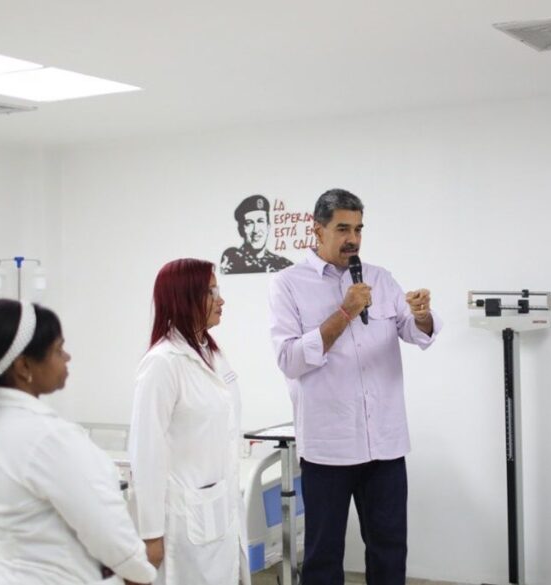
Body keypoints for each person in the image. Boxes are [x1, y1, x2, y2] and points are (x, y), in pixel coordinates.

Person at [268, 188, 442, 585]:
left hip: (384, 443)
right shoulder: (288, 284)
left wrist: (422, 314)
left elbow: (415, 332)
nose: (353, 239)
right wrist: (345, 312)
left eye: (359, 229)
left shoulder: (380, 278)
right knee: (323, 556)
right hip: (328, 446)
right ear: (318, 230)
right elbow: (290, 359)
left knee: (389, 551)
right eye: (343, 229)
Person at [0, 299, 156, 585]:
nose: (67, 357)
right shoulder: (45, 437)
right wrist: (140, 572)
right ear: (23, 366)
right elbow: (105, 526)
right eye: (58, 349)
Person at [128, 258, 248, 584]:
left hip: (218, 508)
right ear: (184, 298)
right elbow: (146, 452)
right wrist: (150, 533)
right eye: (211, 292)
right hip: (184, 520)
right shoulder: (162, 363)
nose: (221, 300)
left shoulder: (212, 353)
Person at [219, 194, 294, 274]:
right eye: (249, 223)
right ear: (241, 229)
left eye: (260, 221)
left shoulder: (283, 265)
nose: (256, 230)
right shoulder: (231, 259)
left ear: (268, 226)